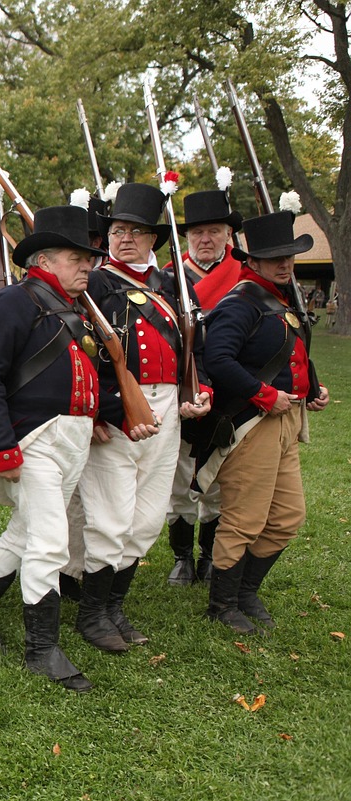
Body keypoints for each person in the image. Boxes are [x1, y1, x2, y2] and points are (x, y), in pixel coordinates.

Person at [0, 204, 142, 692]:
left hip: (72, 438)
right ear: (42, 261)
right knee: (51, 542)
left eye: (88, 258)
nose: (88, 265)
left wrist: (117, 413)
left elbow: (83, 377)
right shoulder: (15, 304)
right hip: (33, 439)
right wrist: (2, 446)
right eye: (76, 257)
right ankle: (41, 648)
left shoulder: (75, 311)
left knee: (24, 532)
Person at [74, 183, 210, 653]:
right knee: (111, 519)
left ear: (154, 238)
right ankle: (91, 614)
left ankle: (114, 607)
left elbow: (195, 347)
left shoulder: (173, 285)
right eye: (116, 229)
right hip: (118, 409)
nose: (124, 238)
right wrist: (107, 408)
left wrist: (201, 389)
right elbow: (83, 353)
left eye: (135, 231)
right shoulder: (93, 283)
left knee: (148, 518)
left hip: (169, 405)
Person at [197, 208, 328, 634]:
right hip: (253, 421)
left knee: (287, 515)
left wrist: (314, 387)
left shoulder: (281, 298)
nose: (284, 263)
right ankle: (222, 603)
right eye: (275, 257)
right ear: (252, 261)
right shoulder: (240, 303)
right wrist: (265, 395)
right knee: (245, 518)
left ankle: (245, 592)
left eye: (288, 256)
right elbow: (217, 359)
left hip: (286, 420)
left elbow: (293, 350)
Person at [164, 189, 242, 585]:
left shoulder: (244, 276)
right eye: (197, 233)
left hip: (231, 390)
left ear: (228, 235)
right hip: (185, 387)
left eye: (214, 231)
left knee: (219, 479)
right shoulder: (168, 278)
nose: (205, 240)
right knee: (180, 475)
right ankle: (182, 557)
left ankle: (210, 554)